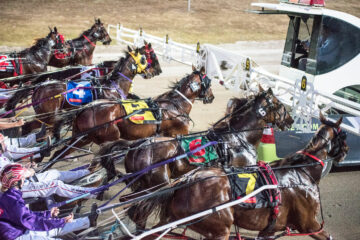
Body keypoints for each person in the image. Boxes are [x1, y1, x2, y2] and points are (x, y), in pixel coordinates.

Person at [0, 163, 98, 240]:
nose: (24, 179)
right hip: (15, 236)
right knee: (57, 229)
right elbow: (33, 222)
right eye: (23, 178)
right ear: (17, 181)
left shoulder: (10, 197)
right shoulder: (12, 201)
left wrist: (48, 214)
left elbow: (27, 216)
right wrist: (61, 221)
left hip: (17, 230)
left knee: (56, 228)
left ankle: (88, 221)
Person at [0, 139, 101, 199]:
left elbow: (11, 168)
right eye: (2, 144)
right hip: (16, 190)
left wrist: (24, 167)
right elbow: (8, 178)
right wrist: (27, 173)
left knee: (55, 173)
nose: (4, 145)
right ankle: (93, 193)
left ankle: (86, 172)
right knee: (55, 185)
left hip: (23, 181)